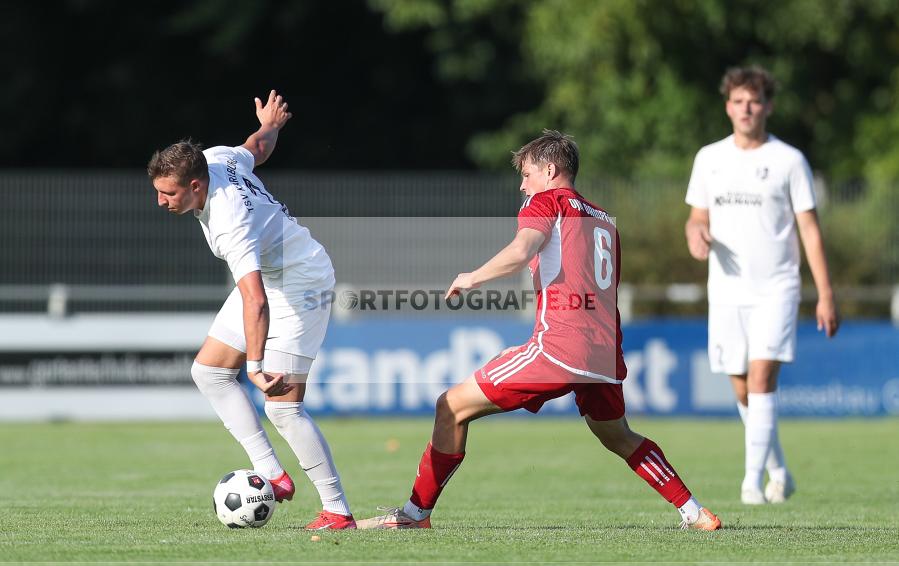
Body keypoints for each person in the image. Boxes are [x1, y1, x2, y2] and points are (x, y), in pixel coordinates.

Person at [356, 130, 721, 531]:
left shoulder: (545, 202)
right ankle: (695, 512)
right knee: (618, 435)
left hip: (560, 347)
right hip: (602, 352)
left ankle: (414, 515)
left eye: (527, 173)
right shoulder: (603, 220)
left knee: (450, 406)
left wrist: (473, 277)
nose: (522, 184)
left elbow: (522, 251)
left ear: (550, 170)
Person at [147, 90, 355, 530]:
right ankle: (274, 474)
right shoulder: (216, 158)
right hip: (275, 279)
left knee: (282, 407)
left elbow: (256, 300)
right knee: (209, 372)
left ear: (195, 186)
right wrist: (271, 125)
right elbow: (256, 148)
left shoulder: (229, 225)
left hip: (302, 282)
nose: (161, 201)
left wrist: (256, 366)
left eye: (168, 193)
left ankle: (337, 510)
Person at [684, 66, 840, 505]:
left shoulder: (789, 161)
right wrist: (695, 233)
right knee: (740, 385)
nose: (746, 108)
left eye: (754, 101)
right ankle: (778, 471)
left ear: (767, 106)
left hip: (777, 286)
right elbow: (697, 217)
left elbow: (810, 230)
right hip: (728, 290)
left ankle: (751, 482)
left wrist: (826, 294)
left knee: (762, 376)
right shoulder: (709, 158)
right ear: (727, 107)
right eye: (737, 101)